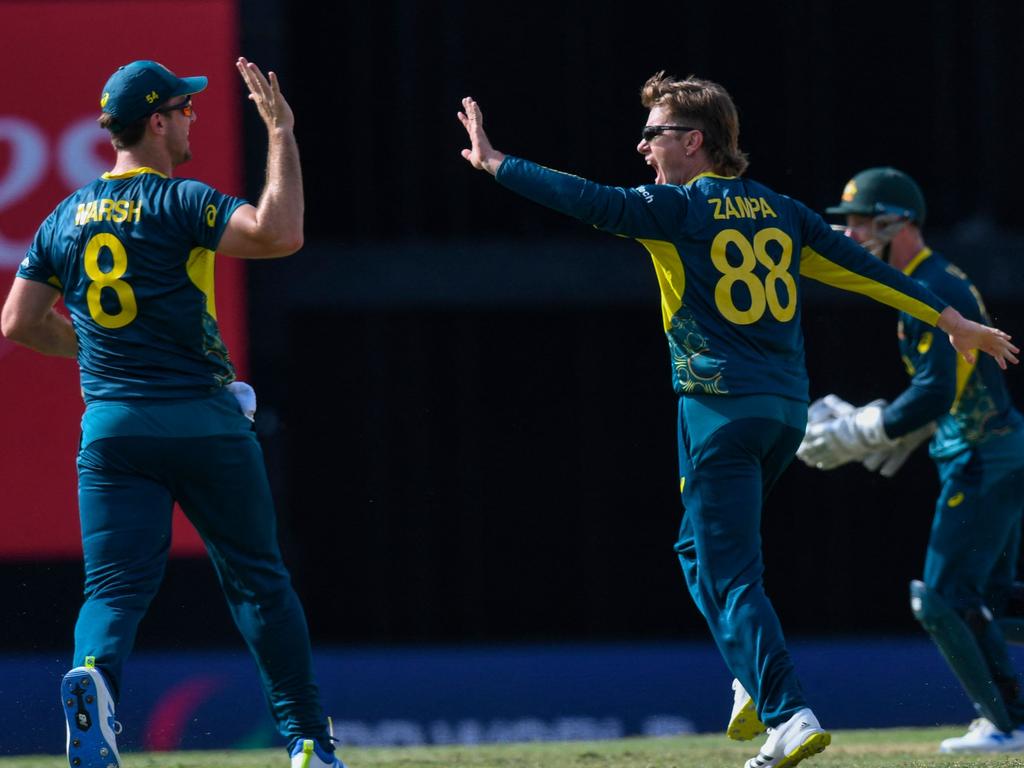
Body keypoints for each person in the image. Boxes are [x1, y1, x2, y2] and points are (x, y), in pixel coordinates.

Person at [457, 74, 1019, 768]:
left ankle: (786, 712)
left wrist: (497, 163)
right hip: (783, 415)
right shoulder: (782, 210)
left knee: (727, 574)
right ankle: (750, 678)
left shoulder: (678, 210)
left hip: (716, 411)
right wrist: (952, 318)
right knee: (702, 554)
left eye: (654, 134)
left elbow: (585, 199)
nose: (642, 146)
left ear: (694, 143)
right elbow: (862, 271)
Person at [1, 59, 346, 768]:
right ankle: (309, 740)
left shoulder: (62, 216)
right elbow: (278, 234)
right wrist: (280, 134)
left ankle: (93, 681)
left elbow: (17, 322)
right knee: (258, 580)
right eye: (184, 108)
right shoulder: (178, 200)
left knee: (113, 589)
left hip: (112, 430)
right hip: (201, 422)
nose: (192, 117)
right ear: (156, 122)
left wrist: (102, 351)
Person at [795, 167, 1024, 753]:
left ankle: (1006, 724)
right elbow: (952, 387)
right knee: (994, 600)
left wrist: (865, 431)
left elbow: (934, 393)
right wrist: (905, 432)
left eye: (861, 223)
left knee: (943, 597)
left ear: (898, 223)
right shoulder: (927, 281)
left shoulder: (933, 285)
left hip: (981, 454)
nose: (849, 236)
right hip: (986, 448)